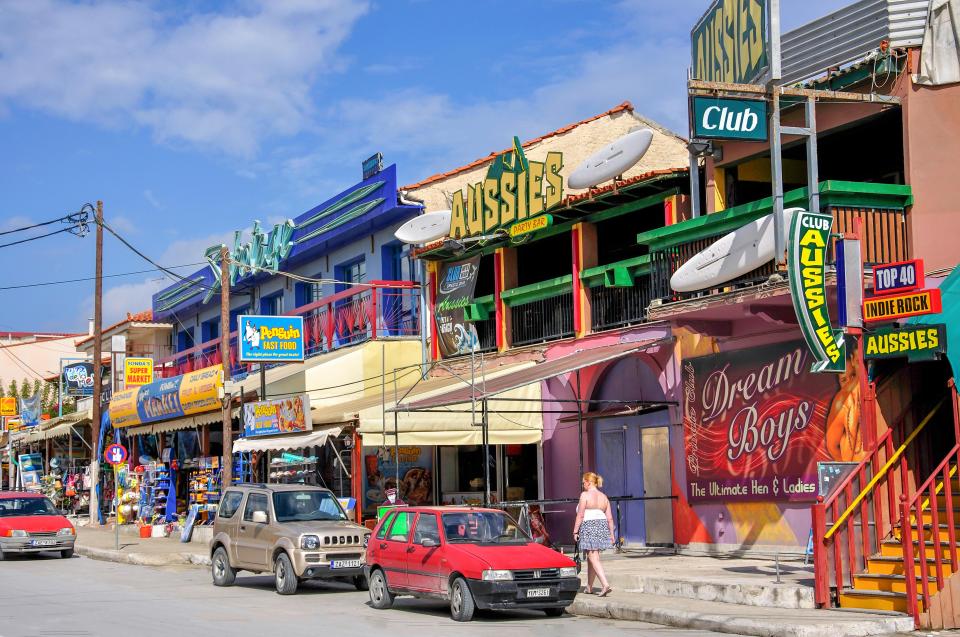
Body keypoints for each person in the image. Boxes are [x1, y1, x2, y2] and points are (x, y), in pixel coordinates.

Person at [573, 471, 615, 596]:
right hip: (602, 526)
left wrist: (575, 531)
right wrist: (612, 533)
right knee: (593, 557)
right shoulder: (604, 497)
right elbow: (610, 518)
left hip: (589, 525)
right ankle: (589, 587)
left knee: (592, 556)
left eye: (583, 483)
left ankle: (605, 584)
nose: (583, 485)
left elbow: (580, 515)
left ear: (589, 482)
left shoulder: (584, 495)